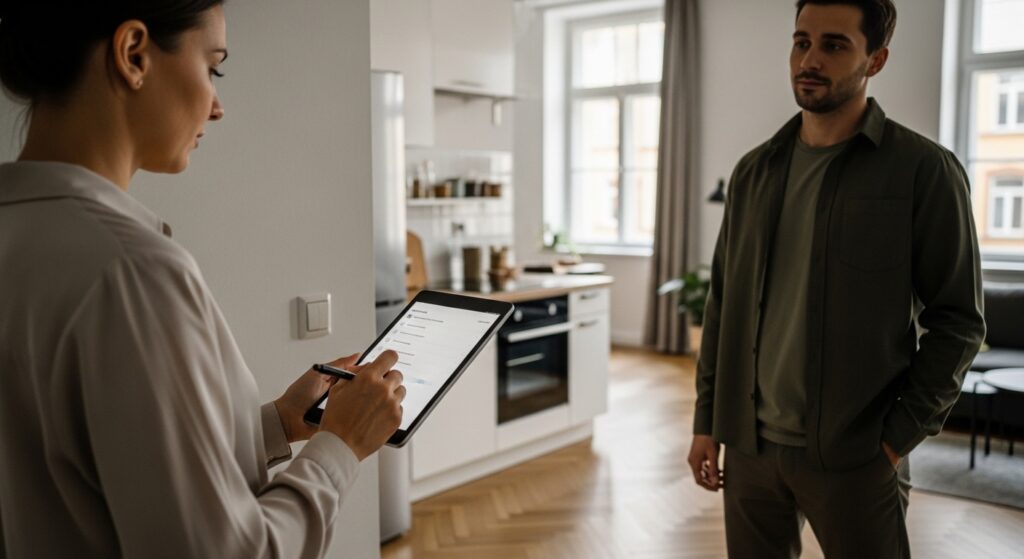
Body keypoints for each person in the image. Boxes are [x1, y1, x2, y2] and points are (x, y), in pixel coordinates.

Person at [0, 2, 406, 557]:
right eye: (213, 68)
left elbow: (87, 465)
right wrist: (341, 445)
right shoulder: (134, 272)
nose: (217, 107)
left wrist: (279, 423)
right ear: (133, 54)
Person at [686, 0, 985, 557]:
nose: (810, 58)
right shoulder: (753, 171)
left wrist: (895, 443)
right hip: (749, 448)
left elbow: (960, 322)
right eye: (802, 41)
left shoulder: (924, 171)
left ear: (877, 59)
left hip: (856, 456)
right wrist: (708, 420)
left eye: (834, 44)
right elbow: (723, 304)